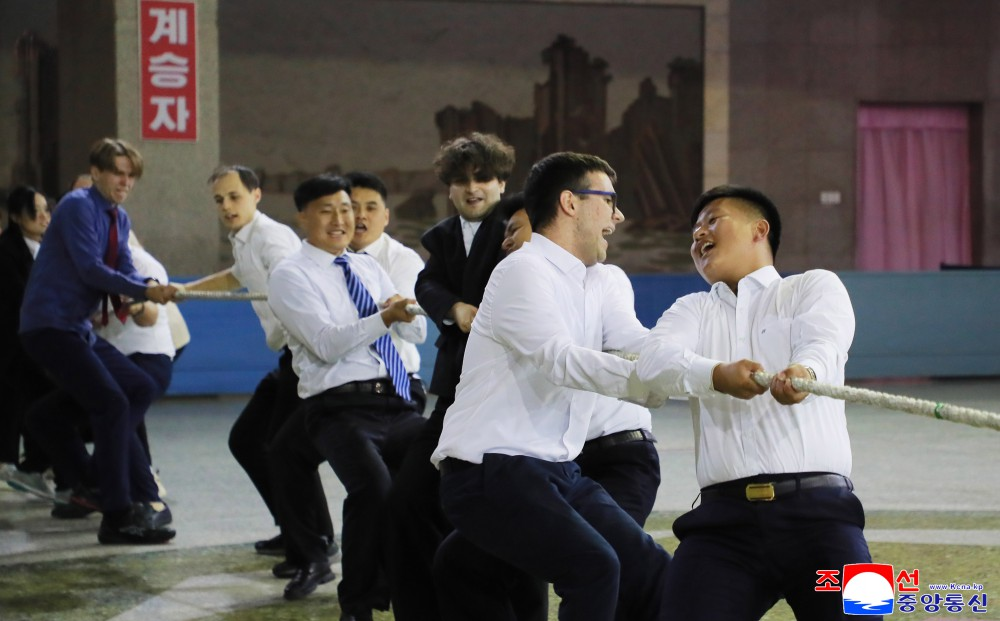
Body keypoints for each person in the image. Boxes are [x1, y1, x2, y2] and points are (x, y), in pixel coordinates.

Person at [430, 152, 671, 621]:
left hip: (557, 468)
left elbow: (639, 342)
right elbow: (560, 360)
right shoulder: (523, 270)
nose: (619, 216)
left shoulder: (592, 280)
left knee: (648, 569)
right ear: (570, 203)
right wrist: (657, 384)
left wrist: (713, 369)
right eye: (609, 201)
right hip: (494, 468)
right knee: (594, 566)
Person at [637, 184, 874, 621]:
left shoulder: (812, 286)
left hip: (824, 515)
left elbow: (826, 343)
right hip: (720, 527)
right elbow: (652, 362)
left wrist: (806, 374)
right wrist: (716, 375)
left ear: (759, 230)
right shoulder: (691, 309)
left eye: (713, 220)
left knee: (866, 612)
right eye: (694, 230)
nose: (699, 235)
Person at [267, 174, 427, 618]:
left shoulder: (368, 266)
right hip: (339, 409)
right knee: (373, 491)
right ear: (302, 217)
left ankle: (415, 591)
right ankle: (356, 605)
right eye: (327, 211)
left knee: (438, 476)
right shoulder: (290, 275)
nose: (342, 219)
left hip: (398, 400)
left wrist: (406, 312)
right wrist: (384, 318)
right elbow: (325, 343)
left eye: (346, 209)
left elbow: (416, 332)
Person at [18, 137, 178, 545]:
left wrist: (148, 285)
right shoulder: (77, 206)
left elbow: (123, 266)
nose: (125, 182)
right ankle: (116, 515)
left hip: (77, 329)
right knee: (111, 404)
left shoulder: (118, 218)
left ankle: (94, 481)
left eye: (131, 176)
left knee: (138, 387)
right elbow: (90, 269)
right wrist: (145, 291)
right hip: (50, 325)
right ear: (96, 173)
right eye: (117, 173)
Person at [386, 132, 515, 621]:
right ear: (449, 188)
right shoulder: (441, 236)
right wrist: (454, 307)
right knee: (407, 501)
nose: (472, 188)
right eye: (461, 181)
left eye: (483, 178)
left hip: (510, 393)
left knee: (506, 512)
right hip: (456, 391)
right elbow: (427, 282)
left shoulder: (519, 228)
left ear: (502, 183)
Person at [181, 165, 336, 562]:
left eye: (234, 196)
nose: (226, 206)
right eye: (219, 200)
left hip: (301, 355)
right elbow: (235, 277)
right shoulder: (244, 239)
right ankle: (294, 527)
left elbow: (295, 282)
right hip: (286, 357)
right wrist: (182, 291)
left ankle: (315, 539)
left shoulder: (271, 238)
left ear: (256, 195)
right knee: (247, 440)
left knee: (285, 449)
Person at [0, 186, 54, 499]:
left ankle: (35, 465)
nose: (44, 216)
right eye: (36, 210)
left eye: (47, 209)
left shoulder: (45, 247)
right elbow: (20, 299)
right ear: (17, 216)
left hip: (36, 343)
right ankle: (16, 466)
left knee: (34, 404)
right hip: (13, 345)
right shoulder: (6, 252)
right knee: (15, 405)